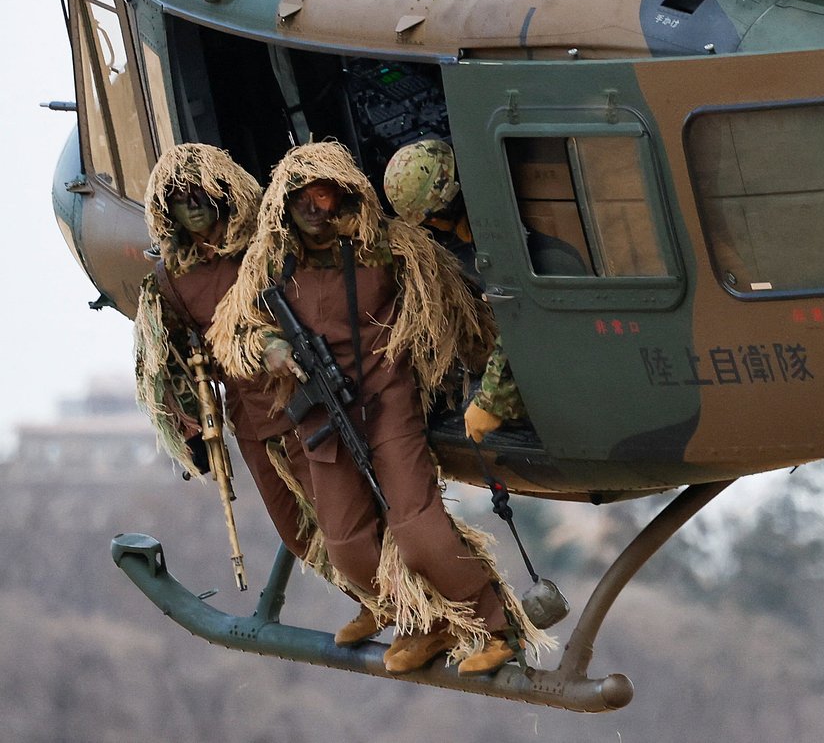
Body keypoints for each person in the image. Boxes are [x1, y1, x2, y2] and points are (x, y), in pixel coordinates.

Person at [209, 141, 549, 677]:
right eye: (306, 203)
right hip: (320, 414)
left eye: (327, 199)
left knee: (417, 527)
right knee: (345, 543)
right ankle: (421, 623)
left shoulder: (392, 248)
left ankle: (494, 625)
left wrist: (495, 388)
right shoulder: (270, 261)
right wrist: (272, 348)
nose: (318, 214)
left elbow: (457, 307)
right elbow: (235, 327)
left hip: (386, 402)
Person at [133, 144, 377, 642]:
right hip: (252, 419)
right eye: (180, 198)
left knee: (345, 516)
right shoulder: (172, 279)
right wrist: (191, 431)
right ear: (168, 210)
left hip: (310, 398)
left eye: (203, 192)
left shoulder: (268, 246)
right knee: (296, 529)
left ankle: (400, 600)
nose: (194, 204)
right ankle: (371, 601)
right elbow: (170, 359)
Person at [381, 139, 529, 443]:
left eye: (429, 221)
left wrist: (490, 402)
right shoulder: (495, 195)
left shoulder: (496, 233)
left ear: (438, 215)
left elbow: (523, 314)